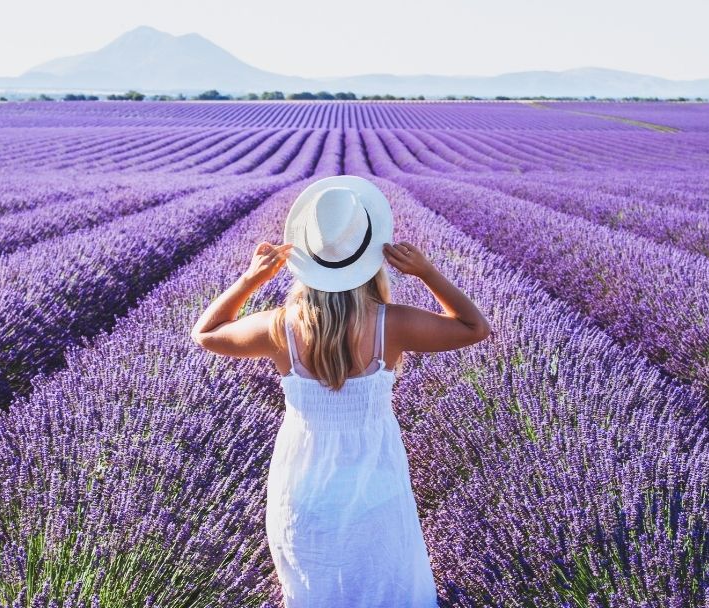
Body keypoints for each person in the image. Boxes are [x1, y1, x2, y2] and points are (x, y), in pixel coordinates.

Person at [190, 175, 490, 607]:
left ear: (305, 259)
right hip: (376, 486)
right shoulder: (393, 324)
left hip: (302, 488)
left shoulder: (280, 328)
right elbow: (474, 328)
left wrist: (251, 279)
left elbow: (206, 332)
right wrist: (427, 272)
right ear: (371, 257)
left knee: (316, 591)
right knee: (386, 588)